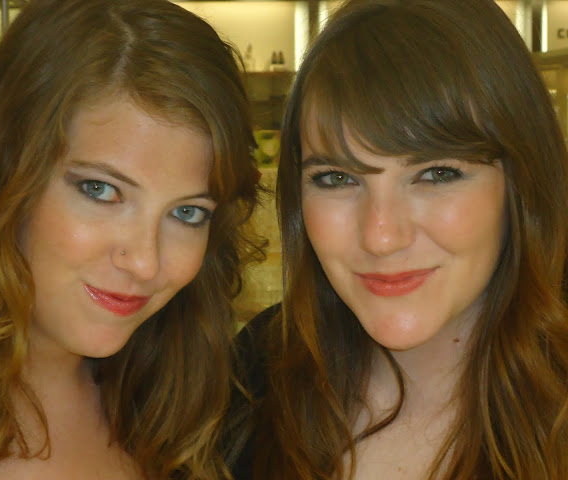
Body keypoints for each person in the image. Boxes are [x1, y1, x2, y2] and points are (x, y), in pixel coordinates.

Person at [229, 0, 568, 479]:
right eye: (337, 178)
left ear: (521, 181)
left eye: (437, 173)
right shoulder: (248, 383)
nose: (382, 237)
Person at [0, 0, 261, 478]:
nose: (145, 263)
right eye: (101, 191)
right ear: (1, 171)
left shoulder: (196, 408)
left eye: (187, 213)